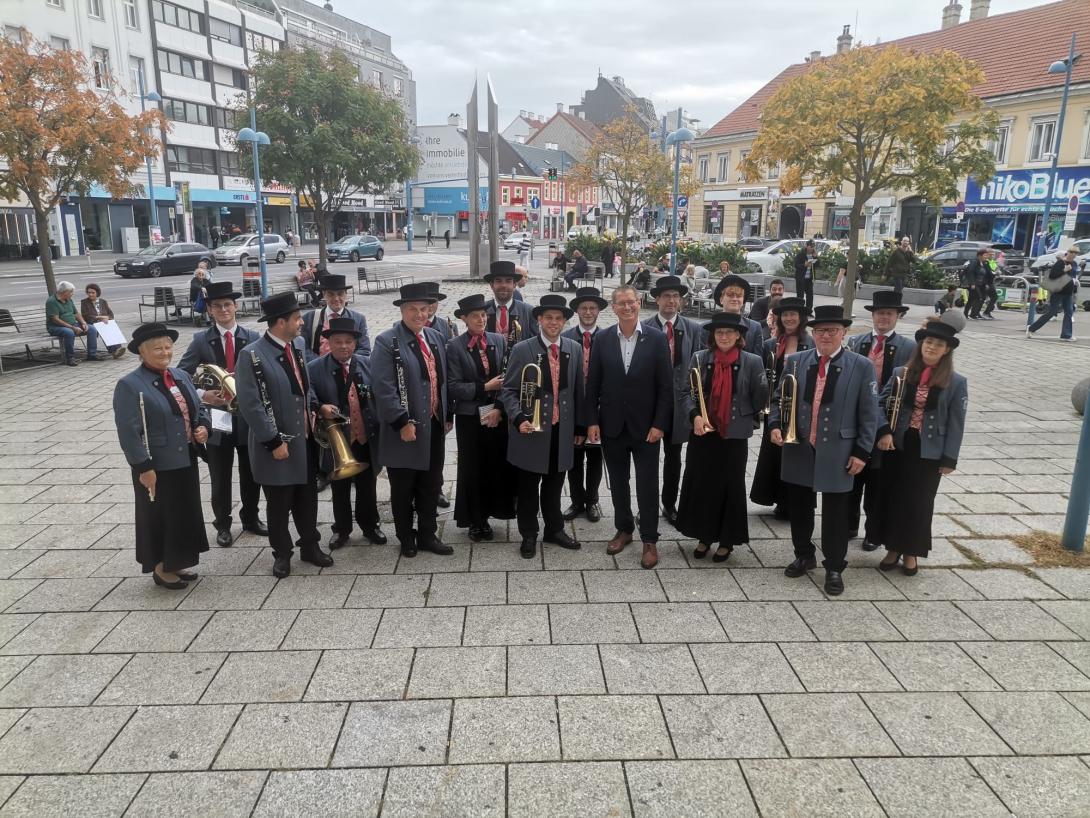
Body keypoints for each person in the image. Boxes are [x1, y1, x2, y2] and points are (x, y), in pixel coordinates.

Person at [769, 304, 880, 596]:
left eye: (831, 330)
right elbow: (779, 398)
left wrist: (862, 452)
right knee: (800, 506)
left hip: (840, 449)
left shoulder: (861, 365)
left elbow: (869, 414)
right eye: (820, 330)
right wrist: (775, 425)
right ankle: (804, 554)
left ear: (843, 333)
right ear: (813, 333)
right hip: (800, 444)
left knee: (836, 511)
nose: (825, 335)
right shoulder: (796, 360)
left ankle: (834, 565)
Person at [235, 291, 333, 578]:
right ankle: (282, 553)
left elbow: (304, 386)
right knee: (279, 502)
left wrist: (316, 405)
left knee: (307, 497)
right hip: (275, 444)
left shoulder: (298, 345)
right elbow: (251, 404)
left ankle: (310, 546)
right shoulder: (251, 354)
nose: (301, 323)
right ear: (280, 322)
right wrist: (273, 440)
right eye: (296, 318)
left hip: (303, 440)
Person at [113, 323, 210, 588]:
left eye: (168, 347)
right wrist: (143, 467)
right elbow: (128, 433)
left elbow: (198, 409)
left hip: (184, 458)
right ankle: (160, 567)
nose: (165, 353)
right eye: (157, 349)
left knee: (182, 513)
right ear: (142, 353)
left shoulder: (180, 375)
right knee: (158, 515)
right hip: (155, 464)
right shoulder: (130, 385)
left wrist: (203, 427)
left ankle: (176, 561)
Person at [586, 285, 673, 569]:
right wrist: (592, 421)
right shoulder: (603, 339)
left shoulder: (657, 339)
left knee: (648, 483)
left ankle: (649, 538)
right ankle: (624, 529)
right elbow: (593, 385)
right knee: (619, 483)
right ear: (613, 307)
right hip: (612, 425)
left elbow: (665, 387)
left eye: (632, 302)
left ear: (639, 304)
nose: (627, 307)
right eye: (621, 303)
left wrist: (660, 424)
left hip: (646, 427)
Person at [876, 314, 967, 575]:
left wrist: (950, 458)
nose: (931, 347)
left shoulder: (956, 382)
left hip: (929, 450)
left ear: (947, 349)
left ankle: (912, 552)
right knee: (894, 498)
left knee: (919, 502)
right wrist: (884, 431)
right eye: (928, 342)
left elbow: (956, 422)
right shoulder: (901, 373)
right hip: (899, 445)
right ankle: (892, 548)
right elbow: (881, 403)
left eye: (938, 344)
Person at [178, 280, 267, 548]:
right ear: (210, 311)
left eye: (227, 304)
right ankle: (223, 524)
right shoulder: (200, 340)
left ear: (236, 307)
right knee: (220, 473)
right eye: (217, 306)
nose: (224, 310)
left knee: (251, 471)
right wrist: (204, 396)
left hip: (247, 418)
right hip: (217, 418)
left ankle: (251, 517)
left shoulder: (252, 338)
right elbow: (181, 376)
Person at [677, 312, 769, 561]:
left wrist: (757, 396)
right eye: (719, 332)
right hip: (704, 431)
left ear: (739, 335)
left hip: (734, 434)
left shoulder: (752, 361)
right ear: (713, 336)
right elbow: (686, 393)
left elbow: (759, 399)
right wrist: (695, 415)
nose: (724, 336)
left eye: (730, 332)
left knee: (730, 485)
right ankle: (704, 535)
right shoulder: (700, 358)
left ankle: (727, 540)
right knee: (703, 484)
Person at [370, 282, 453, 557]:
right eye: (413, 309)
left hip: (434, 425)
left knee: (430, 484)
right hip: (404, 429)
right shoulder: (386, 341)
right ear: (402, 311)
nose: (420, 315)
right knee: (404, 487)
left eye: (424, 309)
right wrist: (401, 422)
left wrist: (446, 414)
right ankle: (406, 536)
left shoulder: (435, 336)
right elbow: (383, 388)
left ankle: (428, 534)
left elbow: (442, 380)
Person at [502, 294, 585, 558]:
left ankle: (554, 528)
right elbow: (508, 390)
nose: (553, 322)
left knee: (554, 483)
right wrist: (518, 418)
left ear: (564, 321)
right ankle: (528, 533)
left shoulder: (574, 347)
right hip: (531, 429)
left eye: (558, 318)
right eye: (548, 317)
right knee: (528, 486)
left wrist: (580, 427)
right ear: (539, 319)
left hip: (561, 429)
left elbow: (578, 391)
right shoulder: (522, 349)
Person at [845, 290, 916, 551]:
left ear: (898, 316)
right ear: (873, 315)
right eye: (879, 313)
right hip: (856, 421)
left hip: (888, 423)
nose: (883, 318)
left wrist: (884, 422)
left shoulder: (909, 347)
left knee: (878, 482)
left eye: (889, 313)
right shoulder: (857, 342)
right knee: (852, 476)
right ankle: (848, 524)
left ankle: (873, 531)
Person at [307, 317, 386, 550]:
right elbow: (309, 395)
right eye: (338, 341)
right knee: (339, 487)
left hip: (365, 436)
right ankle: (341, 529)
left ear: (355, 343)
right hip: (337, 439)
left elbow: (379, 393)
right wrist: (320, 406)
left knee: (367, 485)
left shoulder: (367, 364)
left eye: (348, 341)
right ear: (328, 343)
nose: (343, 346)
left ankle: (370, 525)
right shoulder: (314, 368)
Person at [447, 294, 514, 541]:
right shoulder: (454, 346)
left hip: (496, 414)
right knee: (472, 468)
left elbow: (508, 379)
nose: (481, 319)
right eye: (475, 316)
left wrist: (498, 407)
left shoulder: (498, 340)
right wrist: (485, 387)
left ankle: (495, 510)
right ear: (464, 319)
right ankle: (476, 520)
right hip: (470, 418)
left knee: (495, 464)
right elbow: (453, 386)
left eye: (484, 315)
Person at [643, 275, 706, 527]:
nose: (671, 300)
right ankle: (646, 505)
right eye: (666, 296)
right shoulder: (645, 327)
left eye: (675, 296)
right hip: (651, 404)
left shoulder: (693, 328)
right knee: (647, 458)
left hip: (680, 405)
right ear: (656, 299)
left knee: (674, 456)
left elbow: (698, 368)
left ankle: (669, 503)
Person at [750, 297, 812, 518]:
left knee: (797, 454)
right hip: (776, 406)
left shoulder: (811, 344)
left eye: (793, 314)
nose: (789, 318)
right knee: (775, 453)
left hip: (802, 407)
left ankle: (792, 500)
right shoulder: (770, 344)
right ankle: (776, 498)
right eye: (785, 315)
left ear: (801, 318)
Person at [563, 287, 608, 523]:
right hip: (572, 406)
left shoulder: (608, 336)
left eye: (592, 308)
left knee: (595, 455)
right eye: (584, 308)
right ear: (577, 311)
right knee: (574, 456)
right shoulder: (567, 337)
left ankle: (592, 500)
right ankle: (576, 500)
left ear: (599, 310)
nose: (588, 312)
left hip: (599, 408)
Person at [301, 274, 371, 362]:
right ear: (324, 295)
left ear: (346, 294)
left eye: (340, 294)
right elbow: (303, 348)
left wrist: (344, 364)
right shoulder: (309, 318)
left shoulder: (358, 319)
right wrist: (321, 365)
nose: (336, 298)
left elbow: (364, 350)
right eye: (331, 294)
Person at [1027, 247, 1077, 341]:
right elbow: (1052, 276)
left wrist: (1075, 282)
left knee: (1069, 312)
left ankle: (1066, 335)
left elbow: (1073, 275)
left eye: (1075, 253)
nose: (1073, 254)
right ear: (1067, 253)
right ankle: (1031, 328)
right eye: (1072, 252)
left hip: (1068, 292)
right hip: (1058, 291)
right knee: (1051, 312)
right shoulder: (1060, 263)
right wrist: (1064, 270)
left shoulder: (1074, 263)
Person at [46, 280, 100, 365]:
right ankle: (70, 358)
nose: (72, 293)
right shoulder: (52, 302)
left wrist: (83, 322)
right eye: (71, 292)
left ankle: (91, 355)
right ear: (64, 292)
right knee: (69, 333)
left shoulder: (68, 299)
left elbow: (76, 313)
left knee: (92, 329)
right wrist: (72, 327)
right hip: (56, 327)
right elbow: (55, 319)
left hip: (72, 324)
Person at [485, 260, 538, 346]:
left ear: (514, 285)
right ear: (491, 285)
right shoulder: (482, 310)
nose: (503, 285)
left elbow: (534, 345)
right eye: (499, 281)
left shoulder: (528, 311)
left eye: (508, 281)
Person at [713, 274, 764, 353]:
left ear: (743, 300)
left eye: (739, 295)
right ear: (721, 299)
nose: (735, 299)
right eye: (730, 295)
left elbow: (757, 361)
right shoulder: (705, 328)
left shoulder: (755, 328)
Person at [80, 283, 126, 359]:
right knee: (103, 326)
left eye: (93, 293)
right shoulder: (84, 302)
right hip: (92, 323)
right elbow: (86, 316)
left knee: (110, 324)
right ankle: (114, 351)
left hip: (104, 322)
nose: (90, 294)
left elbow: (110, 314)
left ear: (97, 293)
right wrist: (100, 317)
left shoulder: (103, 301)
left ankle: (117, 349)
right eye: (89, 292)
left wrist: (107, 318)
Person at [962, 248, 989, 320]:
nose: (986, 257)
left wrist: (986, 284)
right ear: (979, 256)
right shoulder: (974, 263)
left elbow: (985, 275)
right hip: (974, 284)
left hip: (980, 284)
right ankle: (969, 314)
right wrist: (972, 283)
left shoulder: (983, 263)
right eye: (985, 255)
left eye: (987, 255)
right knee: (977, 298)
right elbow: (970, 273)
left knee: (973, 299)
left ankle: (971, 314)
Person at [793, 239, 819, 311]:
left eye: (813, 246)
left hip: (809, 278)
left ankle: (808, 310)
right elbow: (796, 265)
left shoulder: (813, 254)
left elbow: (818, 265)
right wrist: (804, 265)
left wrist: (816, 257)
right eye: (811, 246)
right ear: (807, 246)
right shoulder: (801, 254)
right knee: (800, 295)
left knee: (810, 295)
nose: (812, 248)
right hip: (801, 278)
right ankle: (799, 310)